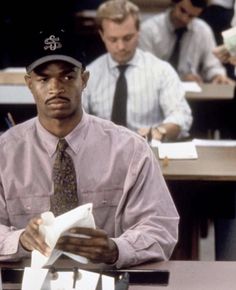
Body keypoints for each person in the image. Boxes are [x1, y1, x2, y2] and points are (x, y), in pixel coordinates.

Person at [0, 27, 179, 268]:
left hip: (106, 279)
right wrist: (19, 239)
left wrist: (117, 249)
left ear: (84, 80)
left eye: (67, 76)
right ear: (29, 84)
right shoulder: (5, 153)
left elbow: (160, 227)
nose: (56, 87)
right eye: (44, 78)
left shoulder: (130, 150)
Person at [82, 0, 192, 141]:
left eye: (128, 38)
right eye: (113, 39)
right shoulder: (89, 75)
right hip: (101, 154)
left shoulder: (161, 71)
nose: (121, 46)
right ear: (102, 36)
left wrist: (159, 131)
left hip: (147, 151)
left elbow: (181, 115)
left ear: (139, 32)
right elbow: (75, 121)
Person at [139, 0, 234, 84]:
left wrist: (217, 76)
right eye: (182, 11)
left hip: (193, 97)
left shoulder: (203, 30)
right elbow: (146, 72)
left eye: (191, 16)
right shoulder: (149, 30)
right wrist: (179, 79)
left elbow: (213, 65)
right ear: (174, 3)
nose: (184, 19)